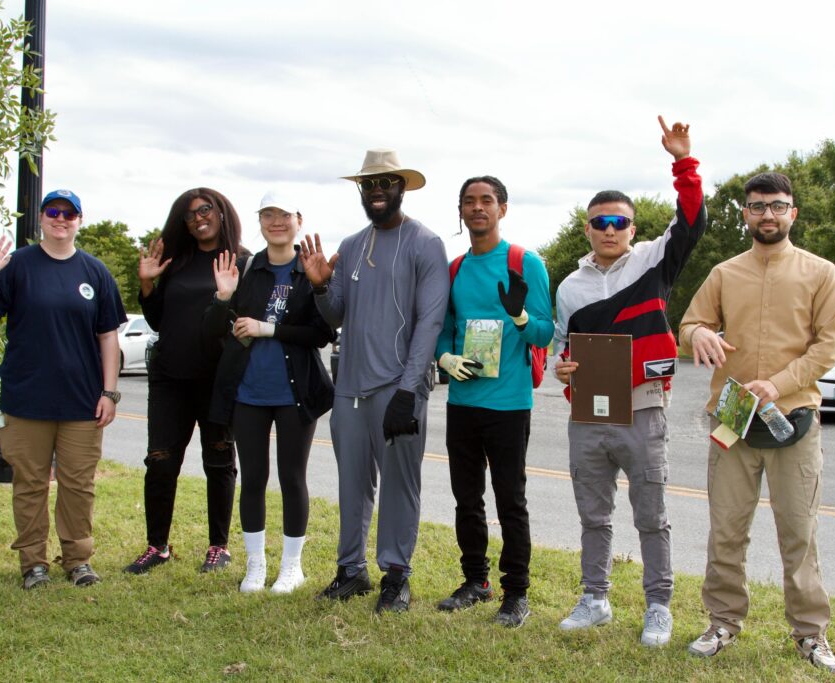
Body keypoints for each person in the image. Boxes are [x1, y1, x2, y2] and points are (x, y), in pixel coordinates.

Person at [678, 172, 835, 673]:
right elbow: (689, 323)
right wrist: (699, 335)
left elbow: (829, 344)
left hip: (792, 416)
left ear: (793, 213)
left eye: (777, 206)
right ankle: (723, 622)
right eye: (757, 206)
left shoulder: (821, 272)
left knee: (799, 531)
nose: (767, 214)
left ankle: (811, 634)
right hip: (732, 418)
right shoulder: (724, 273)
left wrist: (779, 382)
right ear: (745, 215)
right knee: (726, 528)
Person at [552, 117, 704, 646]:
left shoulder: (653, 263)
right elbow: (562, 348)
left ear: (633, 229)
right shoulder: (569, 287)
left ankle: (658, 605)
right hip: (588, 416)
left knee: (651, 515)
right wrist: (562, 368)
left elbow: (691, 222)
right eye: (600, 222)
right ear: (588, 229)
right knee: (593, 514)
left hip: (643, 408)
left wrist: (683, 161)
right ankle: (595, 598)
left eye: (619, 221)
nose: (611, 229)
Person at [300, 148, 449, 613]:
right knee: (352, 482)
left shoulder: (425, 243)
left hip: (398, 386)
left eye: (386, 183)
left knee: (400, 485)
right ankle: (351, 571)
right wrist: (321, 286)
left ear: (402, 187)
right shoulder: (351, 245)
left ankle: (396, 575)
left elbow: (429, 322)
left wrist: (410, 390)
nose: (377, 192)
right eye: (369, 185)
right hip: (350, 385)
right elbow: (336, 315)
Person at [0, 189, 127, 589]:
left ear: (79, 220)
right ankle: (33, 563)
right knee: (30, 484)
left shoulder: (95, 273)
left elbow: (108, 336)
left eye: (69, 213)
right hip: (26, 400)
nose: (61, 218)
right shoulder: (17, 266)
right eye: (53, 211)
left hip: (81, 402)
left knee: (78, 485)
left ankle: (77, 560)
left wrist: (109, 393)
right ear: (41, 218)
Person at [433, 176, 552, 627]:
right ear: (460, 210)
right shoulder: (455, 267)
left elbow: (544, 334)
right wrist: (444, 356)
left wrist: (520, 314)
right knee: (466, 498)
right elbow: (445, 326)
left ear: (503, 208)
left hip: (508, 404)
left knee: (510, 500)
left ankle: (515, 592)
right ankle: (475, 581)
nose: (477, 207)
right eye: (469, 201)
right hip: (462, 401)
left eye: (487, 200)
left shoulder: (526, 263)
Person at [205, 192, 336, 594]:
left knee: (292, 477)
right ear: (259, 222)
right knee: (254, 479)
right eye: (267, 215)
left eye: (283, 215)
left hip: (295, 393)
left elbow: (322, 333)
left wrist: (271, 328)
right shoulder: (247, 267)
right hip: (249, 392)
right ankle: (256, 564)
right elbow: (213, 331)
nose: (275, 222)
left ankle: (291, 567)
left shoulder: (309, 267)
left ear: (298, 220)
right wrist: (223, 297)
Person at [125, 188, 244, 575]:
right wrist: (147, 286)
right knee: (160, 462)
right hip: (170, 379)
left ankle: (218, 547)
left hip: (217, 379)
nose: (199, 218)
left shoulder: (241, 260)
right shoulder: (176, 262)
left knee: (219, 462)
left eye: (206, 209)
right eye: (190, 214)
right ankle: (156, 545)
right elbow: (159, 320)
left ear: (221, 212)